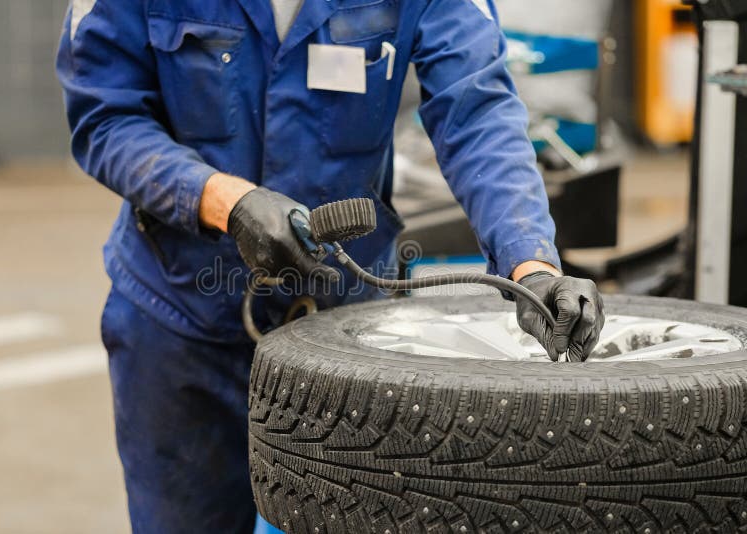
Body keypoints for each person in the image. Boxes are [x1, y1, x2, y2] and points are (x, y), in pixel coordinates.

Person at [57, 0, 605, 531]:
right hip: (180, 328)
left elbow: (476, 109)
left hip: (346, 338)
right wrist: (224, 200)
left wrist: (529, 265)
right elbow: (106, 116)